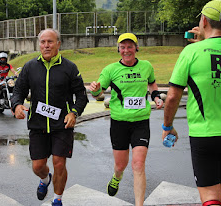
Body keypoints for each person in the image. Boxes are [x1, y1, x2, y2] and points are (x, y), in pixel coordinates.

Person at [162, 0, 221, 206]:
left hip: (205, 134)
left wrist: (167, 126)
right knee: (216, 190)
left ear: (203, 20)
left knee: (210, 197)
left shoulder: (191, 52)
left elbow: (171, 97)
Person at [11, 28, 88, 206]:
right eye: (43, 42)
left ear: (58, 44)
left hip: (62, 124)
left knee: (59, 163)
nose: (46, 45)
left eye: (50, 42)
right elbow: (18, 90)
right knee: (38, 166)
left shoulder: (69, 67)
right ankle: (45, 179)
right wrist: (17, 105)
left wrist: (74, 112)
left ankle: (57, 199)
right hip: (38, 124)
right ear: (39, 44)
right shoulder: (30, 67)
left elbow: (81, 95)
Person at [89, 33, 163, 206]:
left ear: (137, 48)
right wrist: (94, 89)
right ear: (118, 50)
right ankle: (117, 177)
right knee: (120, 165)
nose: (126, 50)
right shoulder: (111, 70)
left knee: (138, 164)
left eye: (130, 46)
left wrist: (156, 96)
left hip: (141, 121)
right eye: (123, 47)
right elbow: (98, 93)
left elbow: (152, 83)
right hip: (119, 122)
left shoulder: (146, 66)